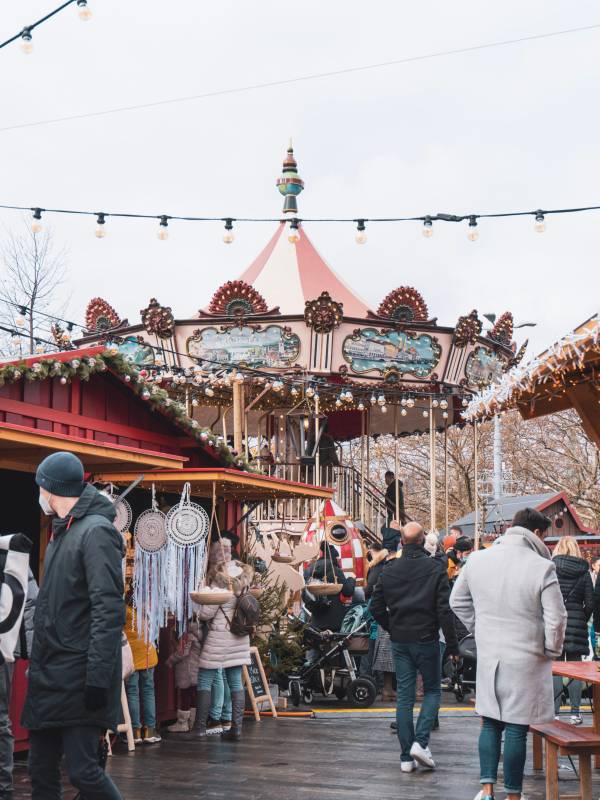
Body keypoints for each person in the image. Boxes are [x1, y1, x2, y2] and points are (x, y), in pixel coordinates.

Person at [23, 452, 125, 800]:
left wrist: (97, 678)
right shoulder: (62, 531)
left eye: (39, 485)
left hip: (80, 674)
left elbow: (107, 609)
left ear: (49, 488)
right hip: (50, 675)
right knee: (40, 769)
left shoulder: (95, 532)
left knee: (83, 771)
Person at [450, 508, 567, 800]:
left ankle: (487, 790)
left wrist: (480, 628)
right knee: (516, 725)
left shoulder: (477, 559)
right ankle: (513, 795)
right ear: (538, 533)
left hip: (490, 655)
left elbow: (457, 600)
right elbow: (557, 617)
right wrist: (551, 649)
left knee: (490, 721)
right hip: (527, 658)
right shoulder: (542, 567)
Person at [371, 521, 458, 773]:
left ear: (402, 541)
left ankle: (405, 757)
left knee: (405, 698)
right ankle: (421, 742)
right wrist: (452, 644)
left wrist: (392, 626)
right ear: (422, 541)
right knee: (432, 691)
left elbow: (375, 607)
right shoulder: (435, 568)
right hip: (427, 637)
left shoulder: (388, 570)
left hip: (400, 639)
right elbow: (444, 609)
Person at [187, 556, 255, 741]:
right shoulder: (244, 584)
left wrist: (199, 602)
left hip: (219, 638)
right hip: (239, 638)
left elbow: (206, 614)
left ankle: (200, 727)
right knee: (235, 682)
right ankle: (237, 728)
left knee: (205, 680)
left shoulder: (221, 586)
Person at [0, 544, 37, 800]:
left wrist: (32, 654)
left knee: (0, 720)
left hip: (1, 651)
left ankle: (3, 787)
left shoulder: (9, 552)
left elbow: (31, 600)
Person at [551, 536, 594, 724]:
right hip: (577, 620)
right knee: (576, 668)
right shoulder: (584, 571)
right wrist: (581, 616)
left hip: (555, 621)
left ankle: (555, 712)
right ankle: (575, 713)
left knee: (556, 668)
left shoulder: (551, 568)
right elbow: (591, 602)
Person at [124, 603, 161, 744]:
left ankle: (135, 732)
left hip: (131, 655)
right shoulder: (147, 605)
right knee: (148, 691)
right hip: (147, 654)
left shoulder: (125, 609)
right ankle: (150, 730)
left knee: (132, 692)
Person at [303, 542, 356, 633]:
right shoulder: (335, 570)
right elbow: (348, 591)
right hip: (334, 620)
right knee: (334, 646)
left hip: (316, 620)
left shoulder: (310, 570)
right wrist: (352, 579)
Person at [166, 623, 203, 733]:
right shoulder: (199, 631)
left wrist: (170, 661)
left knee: (185, 695)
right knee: (193, 694)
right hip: (195, 668)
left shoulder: (187, 633)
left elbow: (182, 652)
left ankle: (182, 722)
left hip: (186, 670)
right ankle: (192, 721)